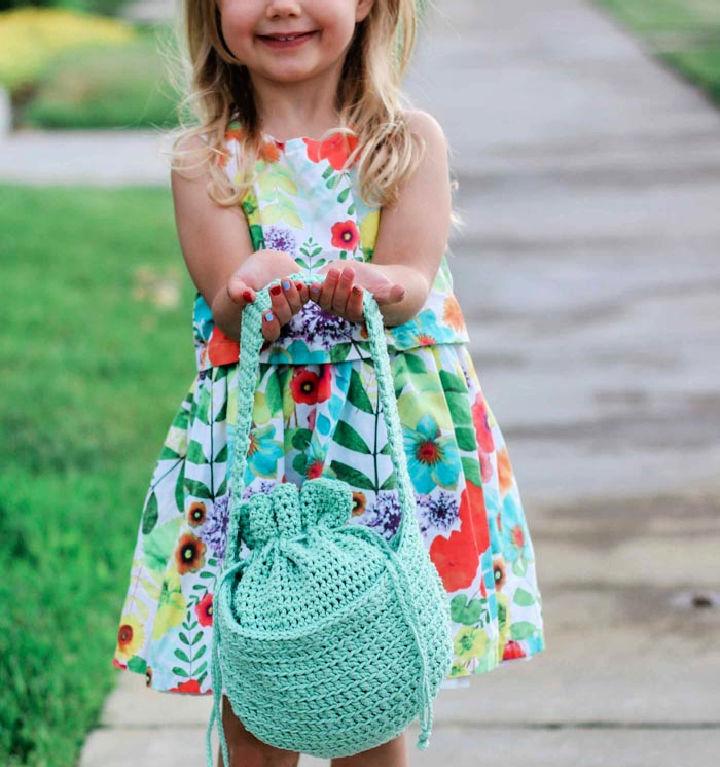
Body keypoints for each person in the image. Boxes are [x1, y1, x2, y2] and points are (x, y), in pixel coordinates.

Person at [111, 1, 545, 765]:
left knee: (370, 692)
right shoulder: (207, 162)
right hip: (260, 463)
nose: (282, 5)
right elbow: (225, 295)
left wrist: (375, 282)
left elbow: (411, 275)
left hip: (373, 453)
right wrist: (255, 285)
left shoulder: (406, 145)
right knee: (257, 702)